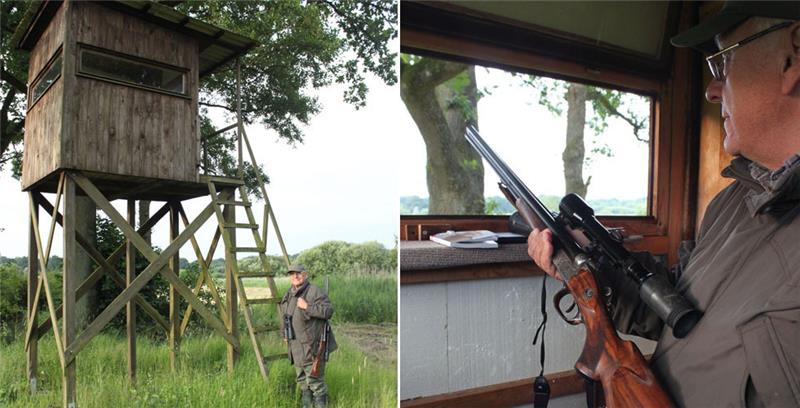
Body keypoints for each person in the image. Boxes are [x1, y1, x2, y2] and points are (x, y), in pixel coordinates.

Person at [527, 2, 800, 407]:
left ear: (793, 55)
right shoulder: (732, 201)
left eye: (723, 64)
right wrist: (586, 264)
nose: (711, 89)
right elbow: (675, 311)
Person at [279, 263, 336, 408]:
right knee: (302, 382)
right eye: (292, 274)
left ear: (306, 275)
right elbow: (284, 316)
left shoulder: (314, 292)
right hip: (295, 347)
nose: (295, 276)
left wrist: (307, 307)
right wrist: (284, 333)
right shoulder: (288, 294)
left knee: (316, 383)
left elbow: (328, 311)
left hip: (312, 347)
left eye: (298, 273)